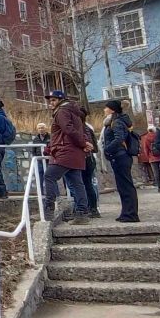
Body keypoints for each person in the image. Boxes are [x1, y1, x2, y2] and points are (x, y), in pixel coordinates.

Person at [43, 90, 91, 225]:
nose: (50, 103)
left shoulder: (62, 111)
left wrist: (83, 143)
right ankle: (82, 213)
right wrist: (84, 143)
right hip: (74, 153)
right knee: (77, 183)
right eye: (49, 100)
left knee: (49, 176)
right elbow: (80, 131)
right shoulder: (75, 113)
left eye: (53, 100)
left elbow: (68, 130)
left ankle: (48, 210)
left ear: (61, 100)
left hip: (65, 152)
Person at [102, 100, 140, 221]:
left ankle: (131, 214)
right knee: (122, 186)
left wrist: (107, 149)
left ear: (112, 110)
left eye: (106, 108)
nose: (104, 110)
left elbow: (119, 138)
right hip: (119, 156)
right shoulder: (115, 121)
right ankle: (126, 212)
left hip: (120, 156)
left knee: (126, 186)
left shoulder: (117, 122)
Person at [82, 109, 101, 218]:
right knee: (89, 184)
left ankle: (91, 208)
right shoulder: (88, 127)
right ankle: (93, 208)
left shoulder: (82, 129)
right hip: (90, 159)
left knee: (87, 185)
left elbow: (91, 146)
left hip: (85, 159)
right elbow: (95, 146)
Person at [141, 126, 160, 192]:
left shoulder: (146, 137)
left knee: (156, 173)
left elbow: (145, 148)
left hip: (152, 158)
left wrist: (148, 156)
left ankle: (159, 188)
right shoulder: (158, 136)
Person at [31, 122, 52, 193]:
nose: (41, 129)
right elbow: (33, 150)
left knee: (50, 177)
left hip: (49, 161)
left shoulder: (51, 137)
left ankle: (54, 193)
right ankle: (40, 192)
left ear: (46, 129)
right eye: (39, 128)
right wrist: (35, 158)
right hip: (39, 161)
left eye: (42, 128)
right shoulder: (35, 139)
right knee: (40, 177)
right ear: (37, 129)